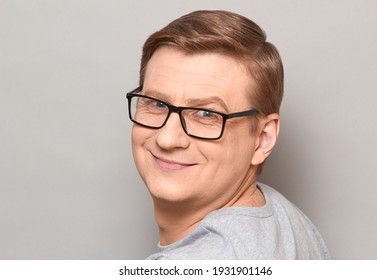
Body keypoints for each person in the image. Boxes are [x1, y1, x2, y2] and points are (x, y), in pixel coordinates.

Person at [126, 10, 330, 259]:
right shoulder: (287, 221)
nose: (167, 139)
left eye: (205, 114)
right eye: (157, 104)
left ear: (262, 139)